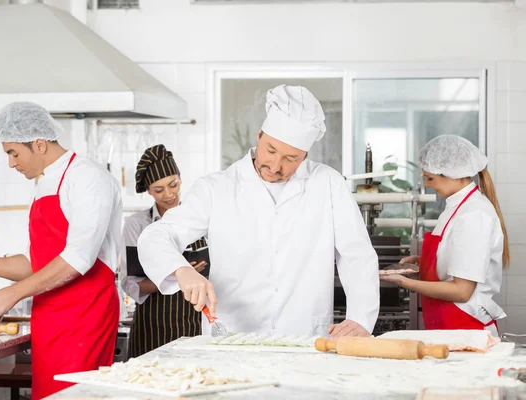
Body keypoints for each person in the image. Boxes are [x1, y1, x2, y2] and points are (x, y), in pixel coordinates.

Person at [137, 84, 380, 339]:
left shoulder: (328, 184)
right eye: (271, 150)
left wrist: (360, 318)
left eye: (291, 158)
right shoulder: (216, 188)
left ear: (306, 154)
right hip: (232, 336)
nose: (276, 166)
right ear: (259, 135)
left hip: (304, 335)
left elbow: (357, 254)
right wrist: (181, 270)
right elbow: (155, 236)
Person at [0, 102, 122, 399]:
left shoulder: (87, 177)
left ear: (40, 144)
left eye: (13, 152)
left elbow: (78, 259)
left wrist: (14, 292)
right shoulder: (44, 185)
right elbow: (39, 264)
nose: (11, 162)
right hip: (50, 318)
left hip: (85, 317)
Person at [381, 135, 508, 337]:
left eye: (430, 178)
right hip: (446, 323)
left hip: (467, 327)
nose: (427, 184)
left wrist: (406, 283)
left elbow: (462, 291)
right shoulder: (456, 207)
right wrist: (425, 262)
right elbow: (460, 259)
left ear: (455, 174)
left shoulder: (474, 214)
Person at [121, 144, 208, 358]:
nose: (169, 195)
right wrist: (179, 274)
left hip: (195, 320)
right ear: (148, 190)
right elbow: (131, 285)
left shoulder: (201, 218)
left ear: (180, 179)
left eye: (173, 184)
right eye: (159, 190)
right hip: (153, 325)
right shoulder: (137, 225)